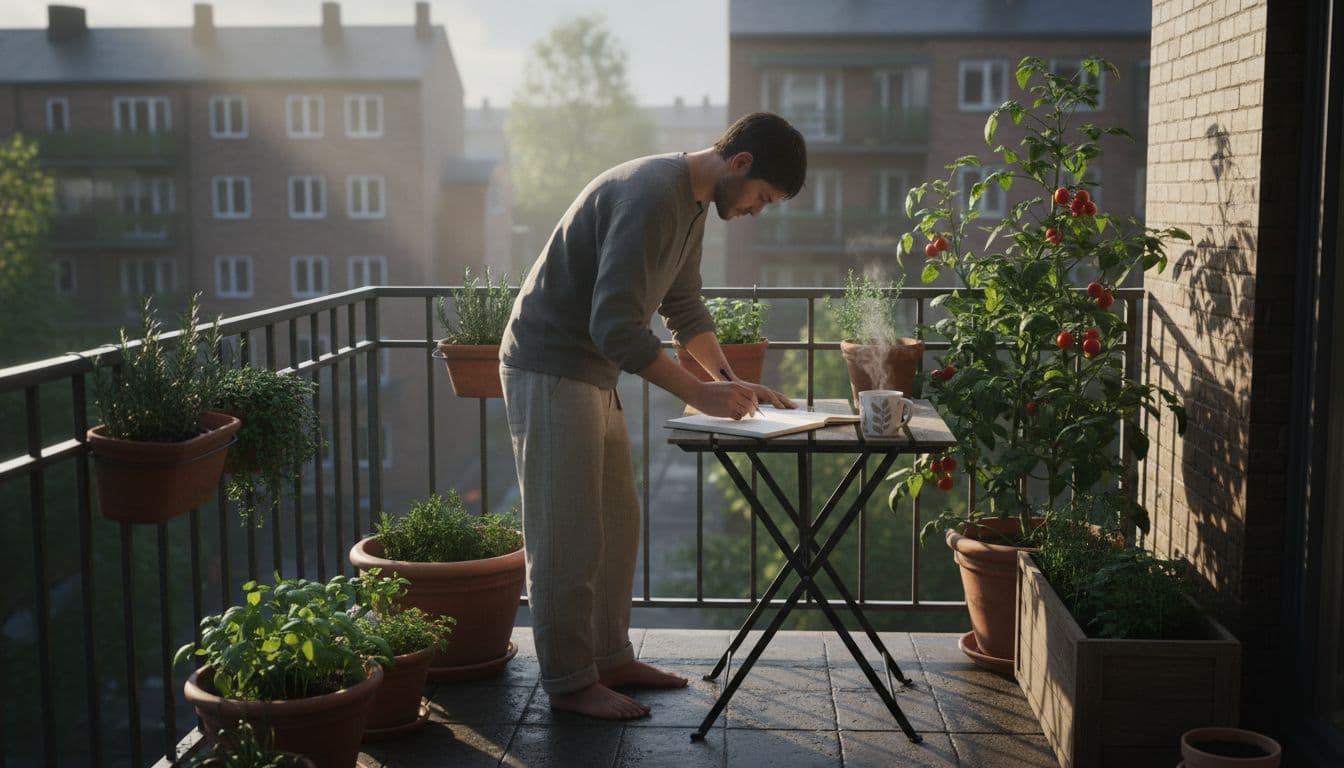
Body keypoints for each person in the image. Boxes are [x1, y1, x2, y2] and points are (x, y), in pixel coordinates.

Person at [499, 112, 808, 720]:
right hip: (551, 364)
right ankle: (568, 681)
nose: (757, 212)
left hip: (589, 370)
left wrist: (727, 380)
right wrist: (699, 392)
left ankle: (609, 657)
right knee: (567, 533)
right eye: (763, 198)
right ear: (740, 164)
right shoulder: (652, 194)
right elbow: (614, 325)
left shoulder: (691, 204)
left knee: (617, 520)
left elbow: (684, 305)